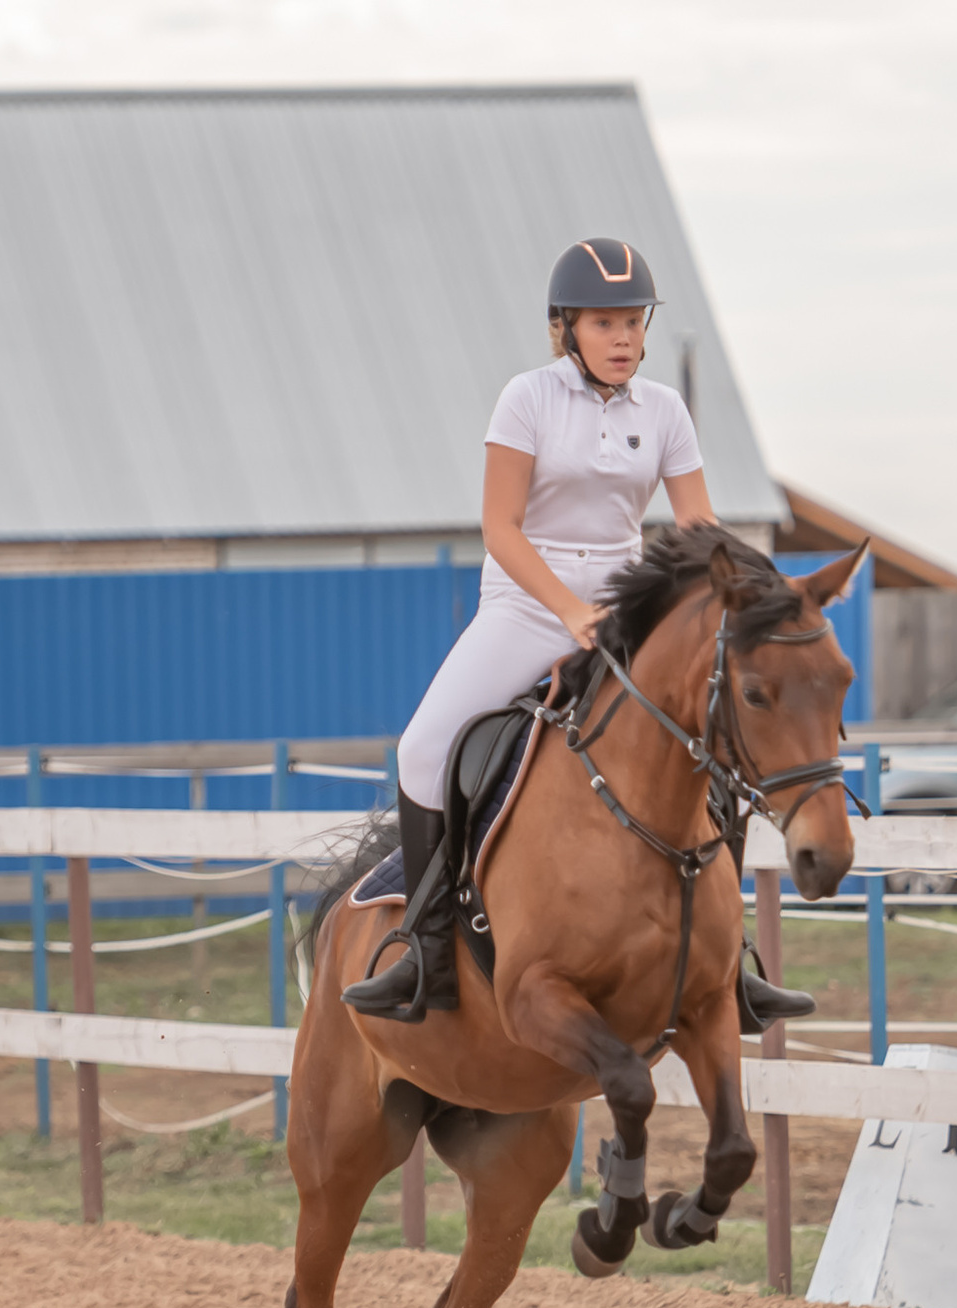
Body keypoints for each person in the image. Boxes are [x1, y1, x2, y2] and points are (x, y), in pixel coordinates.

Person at [345, 239, 811, 1025]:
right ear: (566, 327)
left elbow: (698, 529)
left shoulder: (663, 410)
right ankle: (425, 951)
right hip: (528, 606)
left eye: (634, 322)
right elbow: (500, 526)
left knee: (714, 744)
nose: (625, 338)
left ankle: (736, 966)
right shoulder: (526, 399)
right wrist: (566, 610)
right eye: (606, 323)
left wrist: (753, 592)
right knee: (422, 748)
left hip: (629, 607)